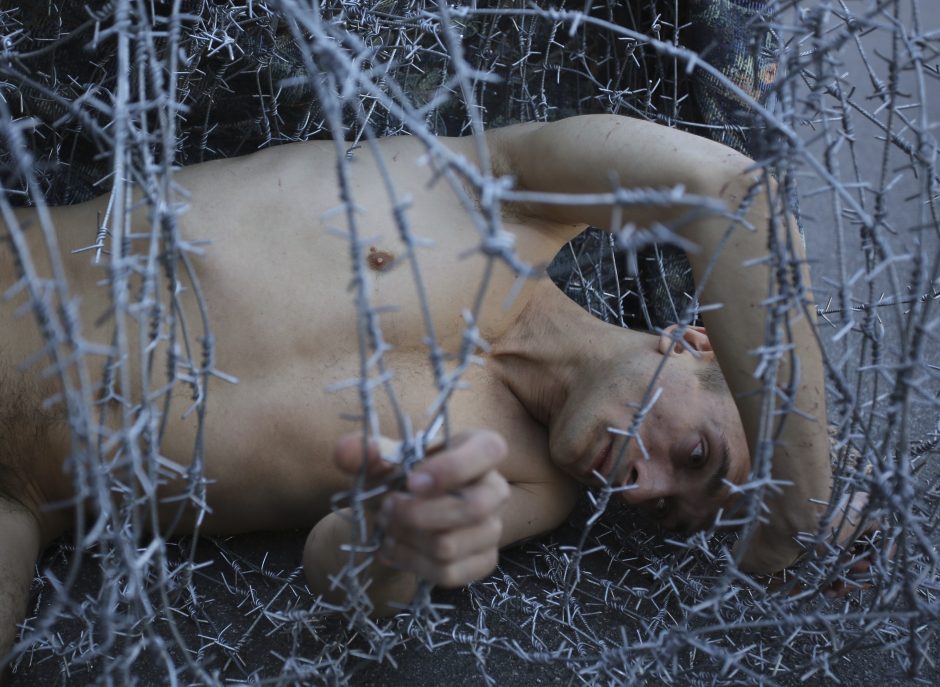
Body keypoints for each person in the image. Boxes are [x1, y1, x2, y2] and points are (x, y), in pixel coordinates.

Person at [0, 115, 844, 662]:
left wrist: (391, 538)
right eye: (695, 453)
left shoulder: (527, 488)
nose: (641, 486)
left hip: (19, 504)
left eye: (666, 509)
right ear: (696, 341)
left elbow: (336, 573)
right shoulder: (506, 194)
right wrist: (789, 517)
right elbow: (733, 195)